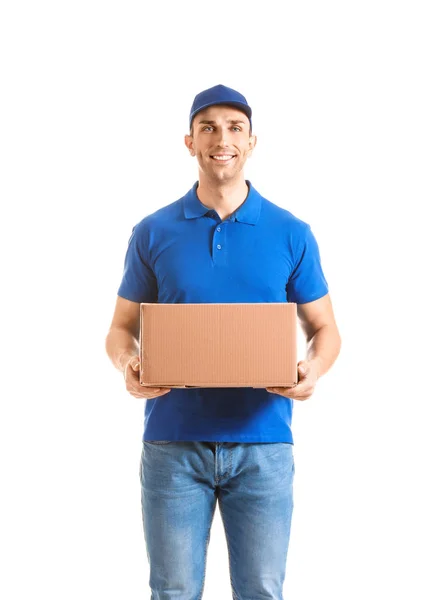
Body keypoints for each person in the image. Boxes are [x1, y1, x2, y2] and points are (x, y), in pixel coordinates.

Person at [105, 84, 341, 600]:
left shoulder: (290, 232)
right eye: (207, 126)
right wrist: (128, 363)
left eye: (235, 127)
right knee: (173, 591)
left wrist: (313, 371)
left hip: (263, 446)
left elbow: (325, 329)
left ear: (252, 142)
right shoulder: (151, 232)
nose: (222, 138)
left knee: (260, 591)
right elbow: (120, 328)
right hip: (172, 444)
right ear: (188, 142)